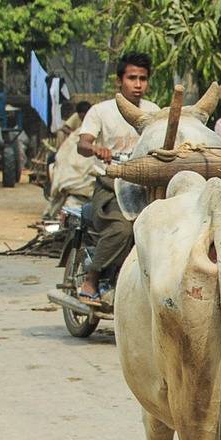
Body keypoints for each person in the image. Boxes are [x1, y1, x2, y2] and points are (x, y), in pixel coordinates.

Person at [76, 53, 159, 302]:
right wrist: (95, 149)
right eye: (132, 78)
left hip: (143, 185)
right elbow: (82, 143)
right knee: (122, 229)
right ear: (119, 81)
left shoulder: (153, 112)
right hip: (109, 185)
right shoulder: (100, 111)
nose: (137, 84)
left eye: (142, 79)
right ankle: (92, 278)